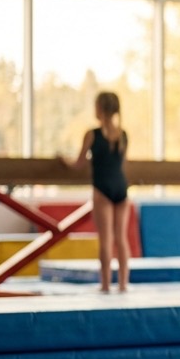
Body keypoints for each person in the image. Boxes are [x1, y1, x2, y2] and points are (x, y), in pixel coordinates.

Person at [61, 91, 131, 294]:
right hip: (121, 186)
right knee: (121, 238)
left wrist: (63, 161)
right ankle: (123, 284)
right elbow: (122, 163)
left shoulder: (92, 134)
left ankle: (106, 285)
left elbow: (79, 164)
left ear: (99, 109)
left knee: (106, 239)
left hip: (103, 188)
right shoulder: (123, 135)